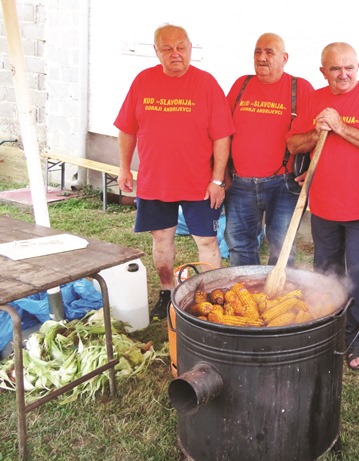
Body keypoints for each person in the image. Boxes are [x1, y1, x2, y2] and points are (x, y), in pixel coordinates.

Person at [115, 24, 235, 319]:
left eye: (181, 47)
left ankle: (208, 299)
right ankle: (168, 292)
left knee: (206, 242)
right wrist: (124, 168)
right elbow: (127, 129)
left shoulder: (206, 84)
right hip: (156, 182)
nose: (175, 54)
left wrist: (218, 179)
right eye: (167, 48)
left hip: (199, 184)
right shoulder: (143, 81)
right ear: (156, 51)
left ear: (191, 47)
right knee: (161, 240)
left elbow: (222, 136)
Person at [287, 42, 359, 371]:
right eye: (335, 68)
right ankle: (330, 329)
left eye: (349, 67)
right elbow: (293, 143)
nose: (343, 74)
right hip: (323, 207)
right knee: (326, 272)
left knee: (357, 274)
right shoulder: (314, 99)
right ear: (323, 71)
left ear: (358, 67)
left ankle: (357, 337)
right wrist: (315, 131)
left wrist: (340, 127)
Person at [225, 33, 314, 266]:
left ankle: (277, 299)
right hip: (239, 183)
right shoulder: (241, 84)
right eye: (257, 51)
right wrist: (221, 172)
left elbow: (318, 134)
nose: (262, 57)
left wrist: (314, 170)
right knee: (240, 245)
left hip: (284, 184)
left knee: (282, 248)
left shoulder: (300, 88)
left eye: (269, 52)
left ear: (284, 58)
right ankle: (246, 297)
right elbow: (222, 131)